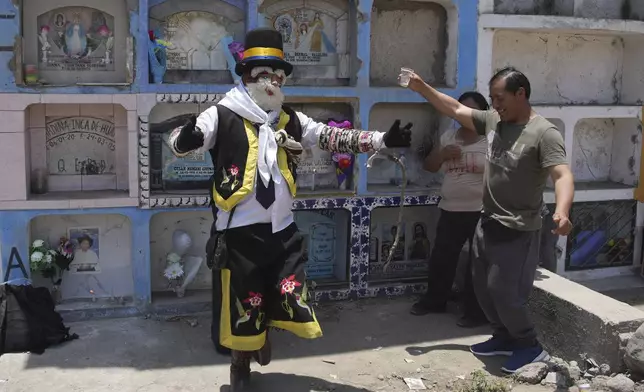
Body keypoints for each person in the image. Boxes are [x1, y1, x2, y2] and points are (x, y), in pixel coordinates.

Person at [168, 27, 412, 391]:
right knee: (244, 305)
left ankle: (264, 336)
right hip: (239, 236)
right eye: (264, 74)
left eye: (277, 75)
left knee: (286, 294)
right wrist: (184, 139)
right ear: (248, 76)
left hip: (282, 231)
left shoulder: (290, 120)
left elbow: (332, 136)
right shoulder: (222, 113)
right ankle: (240, 369)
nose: (272, 81)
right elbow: (185, 139)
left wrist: (380, 139)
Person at [403, 66, 574, 373]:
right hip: (488, 221)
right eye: (493, 98)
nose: (495, 104)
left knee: (504, 291)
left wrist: (563, 210)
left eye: (500, 97)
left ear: (520, 94)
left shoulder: (544, 133)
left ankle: (530, 346)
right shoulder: (494, 121)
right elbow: (454, 107)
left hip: (518, 228)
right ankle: (503, 337)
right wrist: (420, 86)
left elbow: (562, 174)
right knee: (482, 288)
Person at [410, 91, 489, 329]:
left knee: (477, 262)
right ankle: (435, 301)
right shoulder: (449, 137)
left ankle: (475, 312)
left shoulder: (492, 140)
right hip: (450, 208)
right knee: (442, 259)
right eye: (459, 109)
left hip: (481, 210)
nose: (463, 115)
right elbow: (430, 167)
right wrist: (442, 154)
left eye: (470, 110)